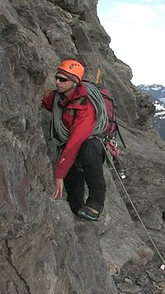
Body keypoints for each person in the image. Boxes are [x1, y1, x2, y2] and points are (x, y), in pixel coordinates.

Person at [41, 59, 106, 221]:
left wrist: (59, 174)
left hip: (87, 147)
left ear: (75, 82)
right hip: (70, 148)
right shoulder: (59, 98)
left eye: (63, 80)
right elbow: (41, 98)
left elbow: (75, 143)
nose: (57, 82)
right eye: (57, 78)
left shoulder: (86, 108)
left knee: (89, 148)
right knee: (73, 199)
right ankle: (77, 210)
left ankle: (96, 203)